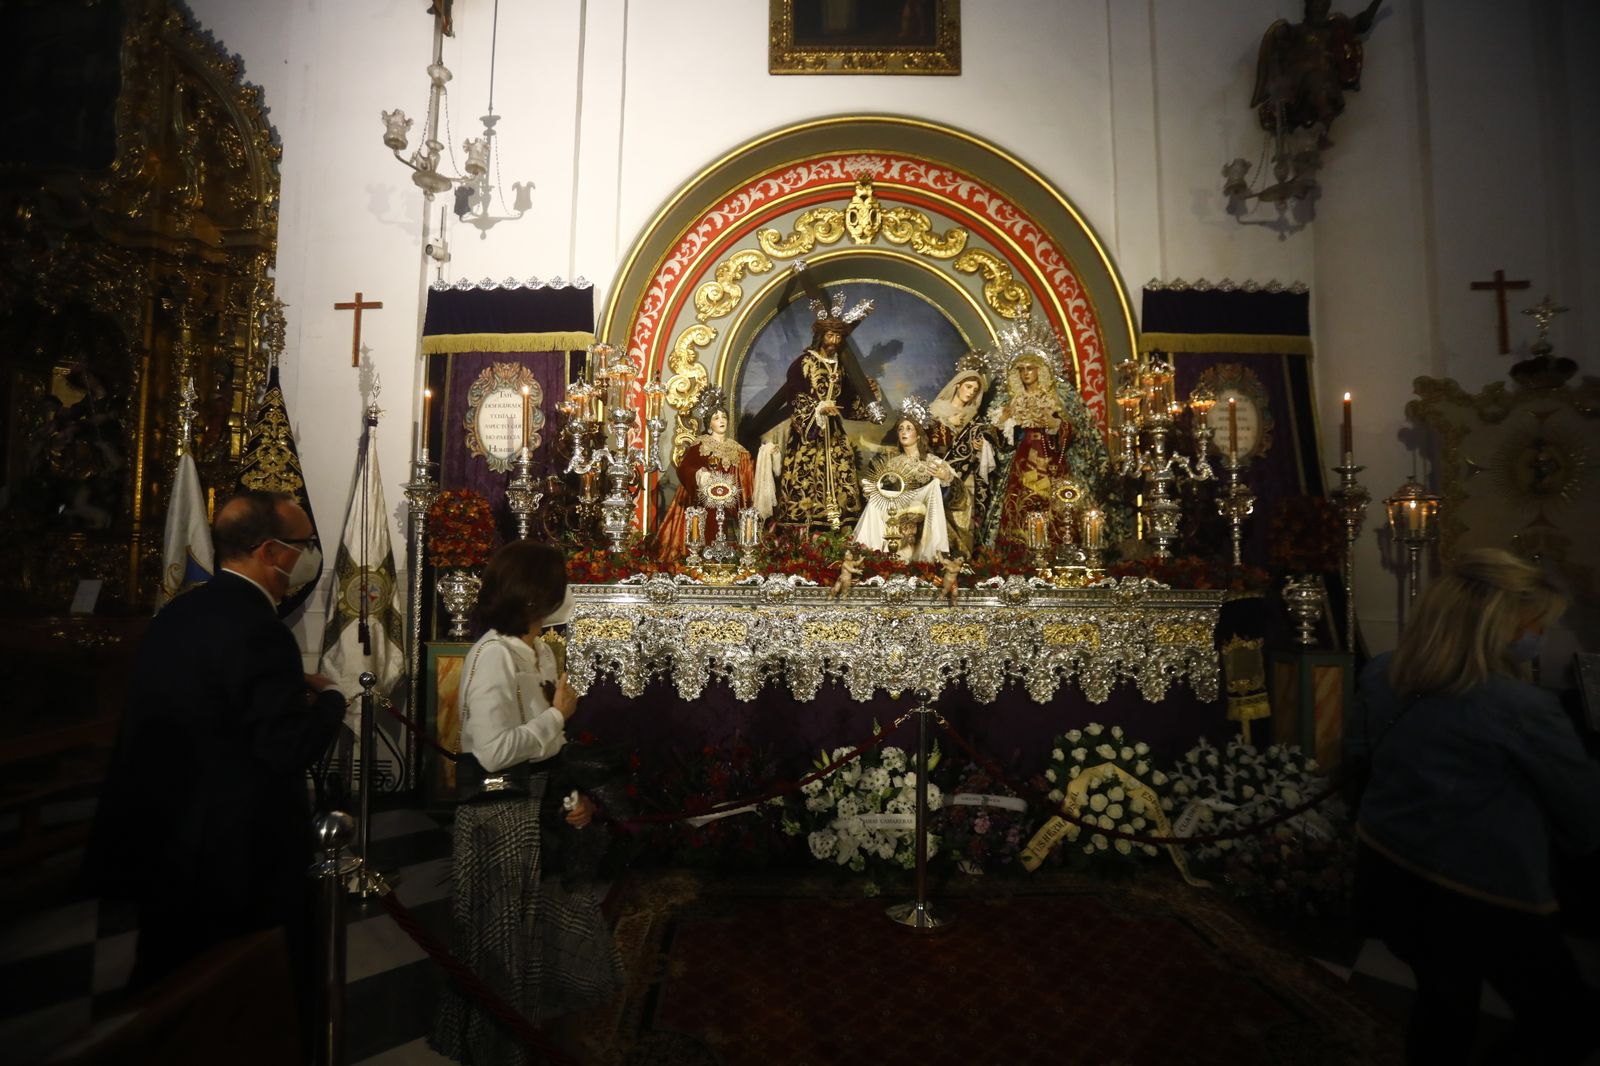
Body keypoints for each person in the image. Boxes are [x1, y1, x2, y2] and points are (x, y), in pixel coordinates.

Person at [88, 491, 345, 1026]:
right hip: (231, 853)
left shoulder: (181, 611)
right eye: (302, 545)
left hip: (163, 834)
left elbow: (207, 696)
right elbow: (285, 747)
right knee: (238, 994)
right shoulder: (260, 629)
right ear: (271, 552)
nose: (306, 556)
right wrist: (334, 703)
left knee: (166, 981)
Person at [1348, 548, 1600, 1065]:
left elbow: (1355, 758)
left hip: (1388, 871)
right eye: (1536, 625)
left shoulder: (1380, 673)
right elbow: (1584, 814)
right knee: (1565, 1023)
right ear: (1503, 628)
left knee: (1444, 1000)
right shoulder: (1523, 708)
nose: (1539, 638)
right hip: (1482, 897)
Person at [433, 541, 624, 1065]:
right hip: (503, 822)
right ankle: (509, 1046)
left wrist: (571, 799)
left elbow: (545, 751)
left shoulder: (536, 648)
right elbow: (494, 754)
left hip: (540, 815)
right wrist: (558, 716)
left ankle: (550, 1034)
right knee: (506, 949)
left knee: (554, 938)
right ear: (535, 596)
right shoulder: (493, 654)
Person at [748, 290, 882, 530]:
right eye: (830, 336)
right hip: (808, 435)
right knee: (806, 476)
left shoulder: (841, 367)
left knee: (841, 473)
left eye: (838, 337)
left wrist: (868, 393)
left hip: (834, 435)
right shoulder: (803, 364)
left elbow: (849, 401)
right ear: (821, 336)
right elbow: (796, 396)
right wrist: (819, 408)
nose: (834, 342)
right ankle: (806, 532)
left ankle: (841, 529)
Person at [982, 347, 1107, 549]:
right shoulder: (1013, 401)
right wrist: (1002, 423)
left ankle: (1056, 546)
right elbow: (1003, 443)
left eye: (1030, 368)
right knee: (1019, 502)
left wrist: (1055, 425)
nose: (1026, 374)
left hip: (1051, 458)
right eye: (1021, 369)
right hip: (1022, 458)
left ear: (1040, 370)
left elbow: (1072, 433)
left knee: (1055, 502)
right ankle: (1018, 550)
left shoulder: (1056, 399)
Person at [1251, 0, 1384, 144]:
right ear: (1308, 9)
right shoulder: (1300, 30)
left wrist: (1376, 3)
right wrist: (1281, 32)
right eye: (1316, 7)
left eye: (1323, 9)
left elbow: (1361, 23)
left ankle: (1323, 129)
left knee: (1321, 82)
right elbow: (1283, 36)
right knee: (1315, 78)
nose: (1319, 12)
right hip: (1300, 79)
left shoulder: (1332, 31)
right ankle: (1321, 114)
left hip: (1323, 78)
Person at [655, 386, 755, 564]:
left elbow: (747, 474)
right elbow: (684, 468)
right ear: (709, 423)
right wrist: (699, 474)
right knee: (702, 538)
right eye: (716, 418)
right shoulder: (701, 445)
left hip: (730, 505)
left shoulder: (737, 449)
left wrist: (767, 457)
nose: (721, 420)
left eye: (724, 417)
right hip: (703, 504)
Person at [852, 403, 952, 563]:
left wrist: (944, 478)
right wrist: (874, 489)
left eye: (909, 428)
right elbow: (885, 490)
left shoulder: (932, 461)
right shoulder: (892, 463)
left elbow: (948, 495)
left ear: (918, 435)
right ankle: (870, 552)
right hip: (895, 508)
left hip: (921, 509)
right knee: (874, 503)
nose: (904, 432)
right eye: (901, 429)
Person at [927, 355, 996, 556]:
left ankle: (960, 557)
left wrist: (981, 447)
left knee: (961, 516)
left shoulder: (975, 419)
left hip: (965, 476)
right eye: (968, 387)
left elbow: (985, 446)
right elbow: (929, 441)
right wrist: (947, 423)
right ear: (957, 386)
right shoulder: (937, 409)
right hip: (939, 471)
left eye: (975, 390)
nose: (971, 393)